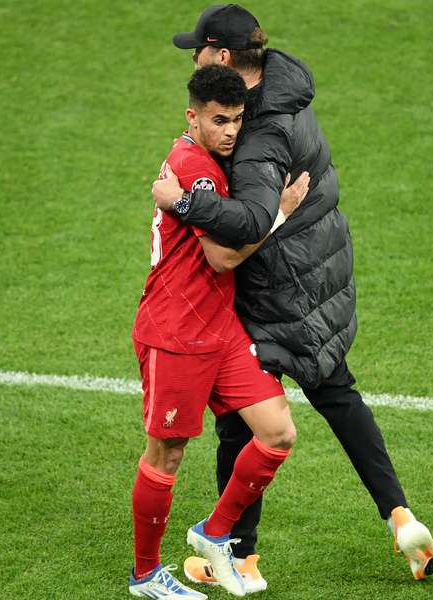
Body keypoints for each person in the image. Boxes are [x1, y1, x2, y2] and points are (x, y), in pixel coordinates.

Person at [152, 4, 433, 593]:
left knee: (243, 420)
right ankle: (400, 515)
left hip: (277, 289)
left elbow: (254, 219)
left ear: (228, 58)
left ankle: (236, 555)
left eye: (202, 51)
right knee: (338, 393)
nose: (195, 59)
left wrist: (183, 202)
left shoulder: (256, 134)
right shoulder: (288, 84)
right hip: (323, 274)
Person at [129, 64, 310, 599]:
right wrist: (277, 214)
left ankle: (213, 532)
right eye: (219, 120)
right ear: (192, 117)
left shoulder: (209, 159)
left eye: (237, 120)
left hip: (219, 327)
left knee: (277, 432)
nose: (231, 131)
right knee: (167, 454)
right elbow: (222, 255)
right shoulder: (196, 168)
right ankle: (145, 576)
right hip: (176, 331)